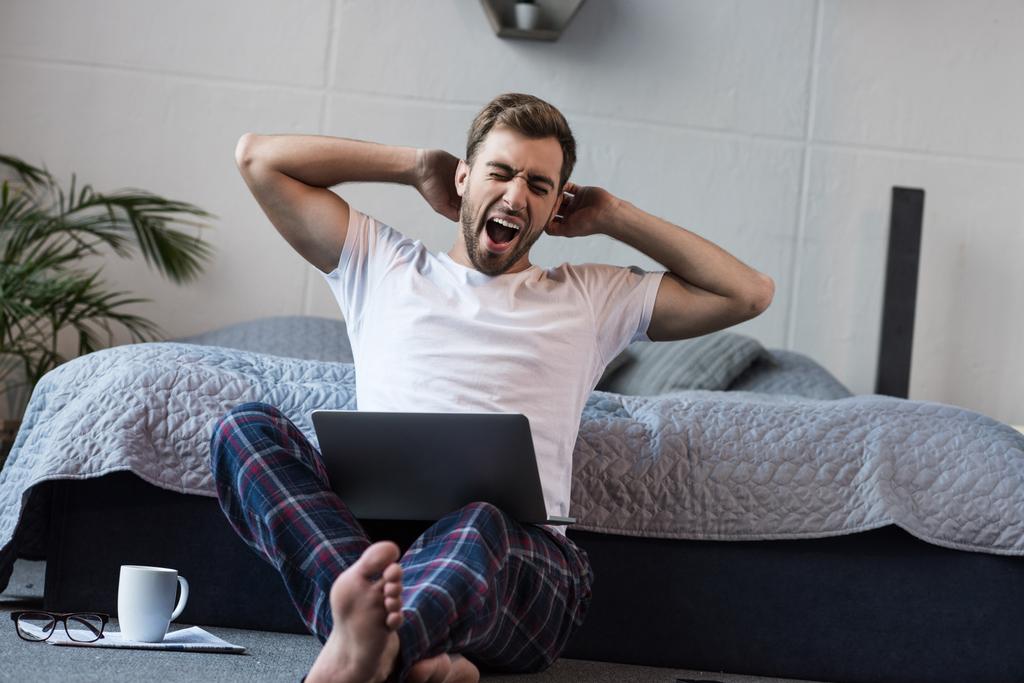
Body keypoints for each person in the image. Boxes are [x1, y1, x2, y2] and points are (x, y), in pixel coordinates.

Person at [211, 93, 774, 683]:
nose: (514, 195)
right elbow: (258, 158)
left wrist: (614, 214)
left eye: (539, 185)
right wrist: (413, 164)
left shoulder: (592, 296)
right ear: (464, 177)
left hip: (523, 565)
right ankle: (410, 654)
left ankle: (368, 643)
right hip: (382, 548)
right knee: (244, 429)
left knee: (478, 520)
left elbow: (747, 293)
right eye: (500, 172)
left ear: (559, 203)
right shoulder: (380, 262)